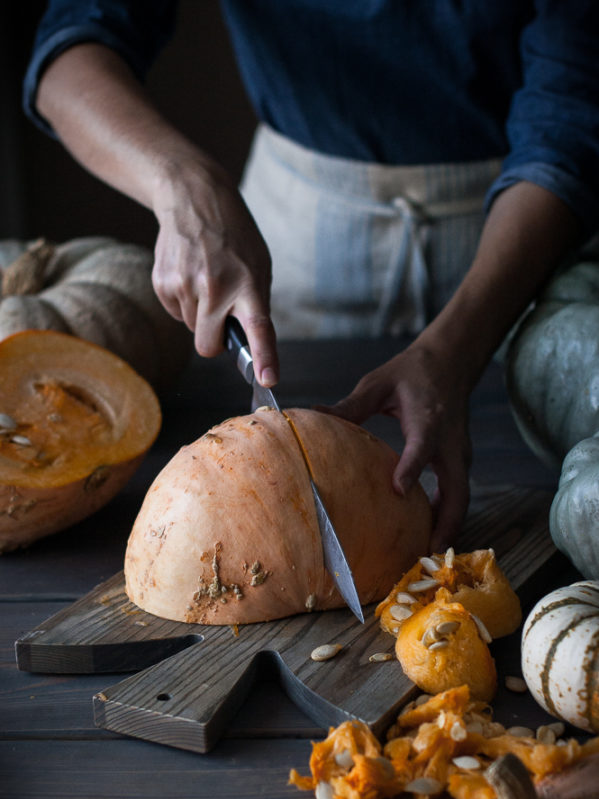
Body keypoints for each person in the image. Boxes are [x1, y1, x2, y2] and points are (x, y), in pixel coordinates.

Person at [23, 1, 599, 551]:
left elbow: (571, 116)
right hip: (295, 237)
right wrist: (184, 185)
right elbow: (67, 57)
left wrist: (455, 353)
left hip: (524, 247)